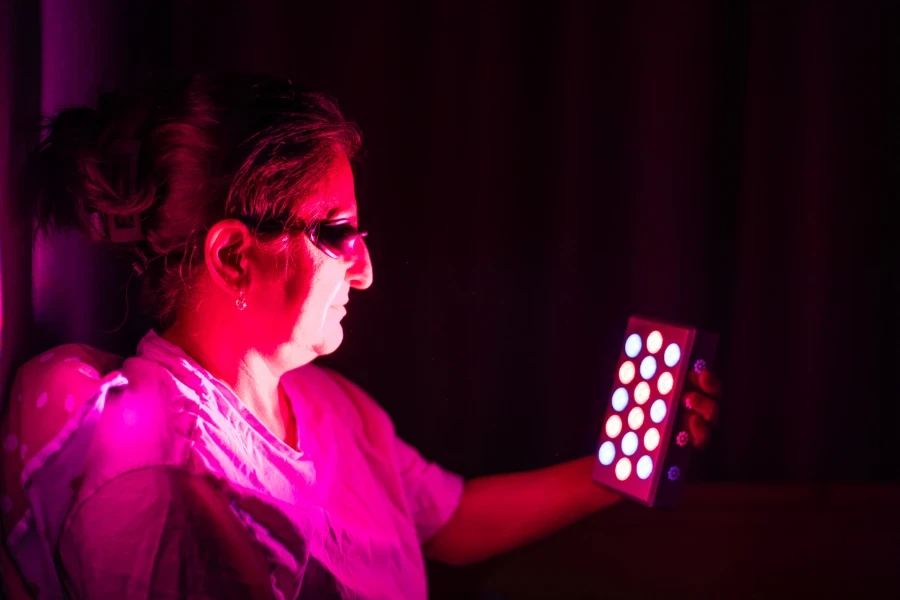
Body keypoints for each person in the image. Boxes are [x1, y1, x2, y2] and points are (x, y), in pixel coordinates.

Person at [2, 73, 721, 599]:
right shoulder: (165, 485)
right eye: (338, 234)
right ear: (232, 256)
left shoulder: (325, 404)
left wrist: (628, 464)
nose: (368, 271)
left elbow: (453, 519)